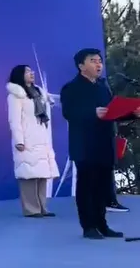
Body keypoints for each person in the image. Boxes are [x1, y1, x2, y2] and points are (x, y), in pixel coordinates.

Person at [60, 48, 140, 239]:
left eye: (100, 61)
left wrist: (132, 114)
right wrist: (92, 113)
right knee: (87, 186)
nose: (98, 64)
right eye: (93, 61)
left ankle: (102, 225)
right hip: (84, 144)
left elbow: (113, 112)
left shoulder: (103, 87)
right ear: (81, 66)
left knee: (102, 186)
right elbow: (69, 113)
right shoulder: (71, 88)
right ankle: (88, 226)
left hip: (105, 142)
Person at [6, 64, 59, 218]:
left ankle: (42, 207)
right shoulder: (15, 95)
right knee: (28, 175)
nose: (31, 73)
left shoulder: (38, 92)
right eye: (27, 71)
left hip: (41, 138)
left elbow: (50, 103)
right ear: (19, 75)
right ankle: (31, 209)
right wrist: (19, 140)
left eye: (31, 71)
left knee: (41, 175)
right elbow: (14, 120)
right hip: (26, 139)